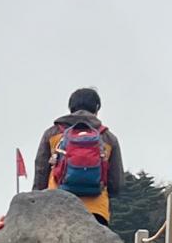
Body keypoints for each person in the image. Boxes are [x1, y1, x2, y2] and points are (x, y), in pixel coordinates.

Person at [32, 88, 125, 223]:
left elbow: (41, 172)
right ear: (97, 108)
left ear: (70, 107)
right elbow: (116, 183)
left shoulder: (53, 133)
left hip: (57, 205)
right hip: (96, 210)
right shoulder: (108, 138)